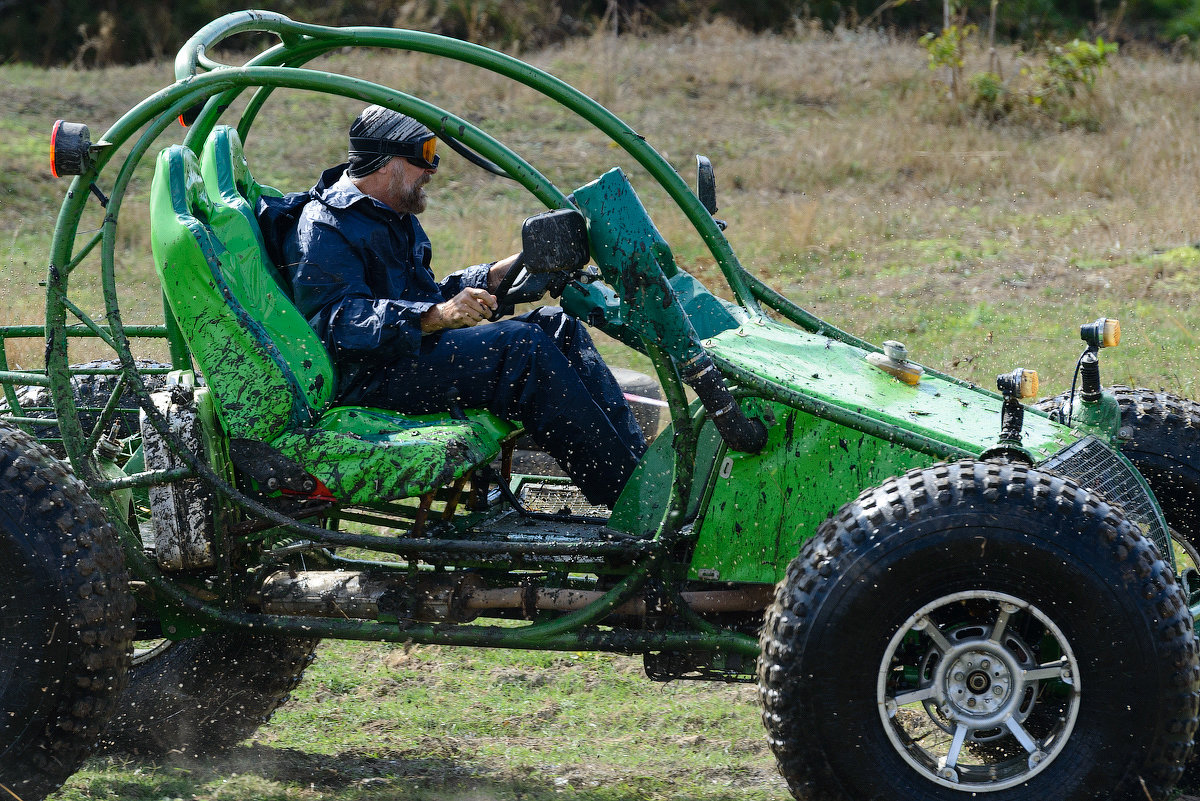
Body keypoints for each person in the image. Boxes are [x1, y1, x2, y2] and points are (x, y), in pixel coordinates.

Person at [261, 105, 646, 508]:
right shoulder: (324, 226)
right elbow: (337, 323)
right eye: (423, 155)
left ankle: (642, 479)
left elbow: (425, 295)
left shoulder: (392, 213)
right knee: (522, 348)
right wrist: (437, 317)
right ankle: (630, 506)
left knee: (556, 326)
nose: (433, 169)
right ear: (386, 163)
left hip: (405, 357)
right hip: (368, 375)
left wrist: (497, 275)